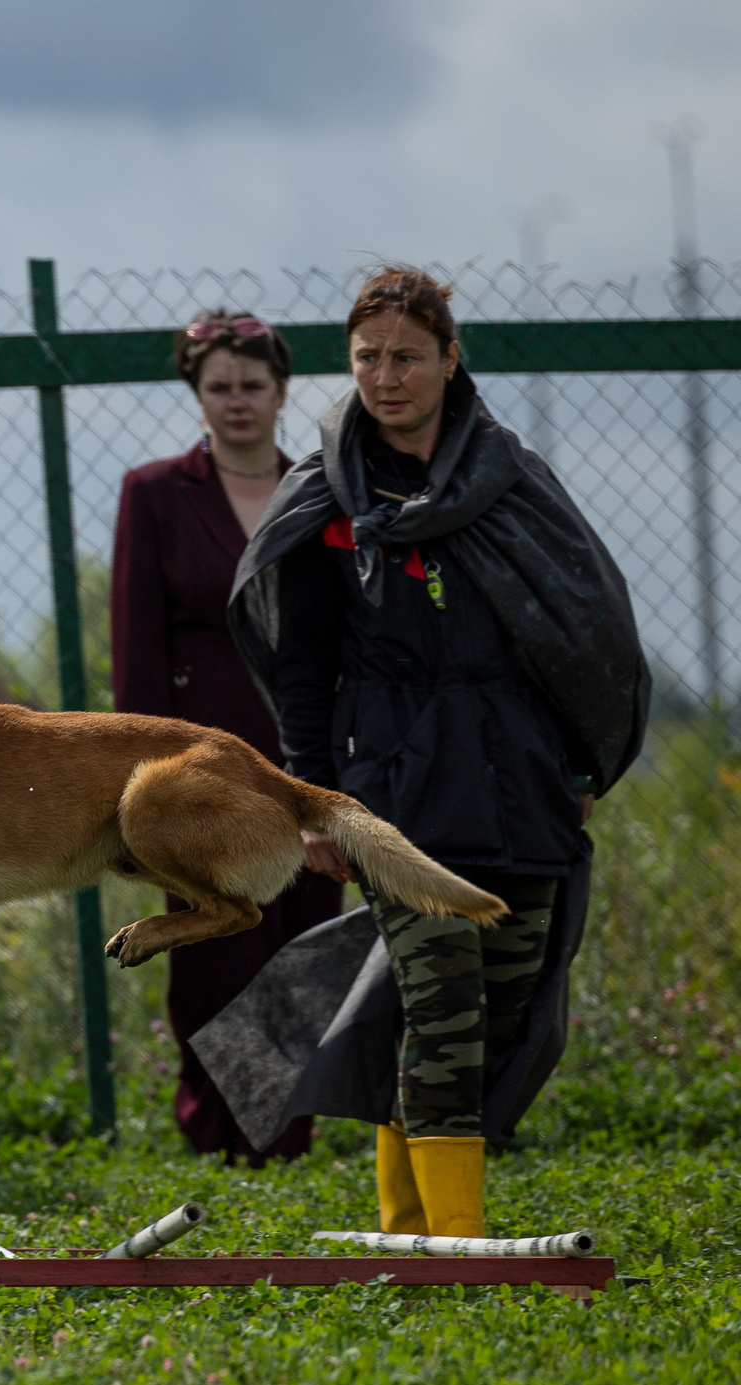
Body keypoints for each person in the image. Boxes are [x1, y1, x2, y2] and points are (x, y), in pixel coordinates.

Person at [224, 266, 649, 1237]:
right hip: (393, 796)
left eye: (408, 357)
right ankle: (456, 1248)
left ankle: (411, 1225)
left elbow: (584, 632)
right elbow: (303, 672)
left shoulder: (513, 483)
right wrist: (311, 801)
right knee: (442, 1004)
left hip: (523, 784)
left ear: (451, 360)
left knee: (499, 1010)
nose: (386, 377)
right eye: (367, 358)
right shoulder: (327, 499)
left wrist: (581, 764)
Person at [110, 312, 341, 1164]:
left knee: (306, 944)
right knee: (216, 947)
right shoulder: (154, 493)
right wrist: (141, 788)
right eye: (219, 387)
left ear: (281, 392)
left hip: (307, 752)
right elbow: (137, 647)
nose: (237, 400)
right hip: (199, 768)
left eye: (252, 385)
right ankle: (219, 1133)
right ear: (197, 395)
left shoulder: (325, 489)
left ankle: (286, 1135)